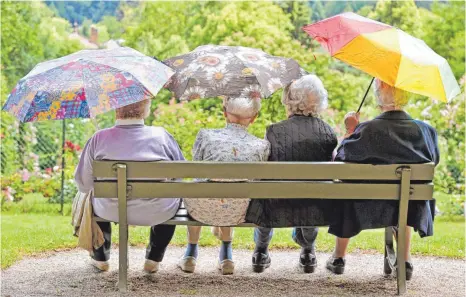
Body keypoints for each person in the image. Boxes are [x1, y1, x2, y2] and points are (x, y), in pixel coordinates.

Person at [327, 79, 439, 280]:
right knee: (405, 194)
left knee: (347, 191)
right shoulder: (426, 131)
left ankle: (339, 257)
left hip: (363, 203)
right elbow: (434, 161)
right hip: (408, 204)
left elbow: (341, 161)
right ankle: (404, 261)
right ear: (406, 96)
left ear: (378, 99)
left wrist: (351, 132)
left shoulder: (367, 130)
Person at [74, 99, 184, 273]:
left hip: (110, 209)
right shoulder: (162, 135)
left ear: (115, 109)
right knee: (171, 194)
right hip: (157, 211)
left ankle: (100, 256)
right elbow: (180, 176)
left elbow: (84, 184)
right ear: (146, 110)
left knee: (86, 196)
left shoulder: (99, 138)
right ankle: (154, 258)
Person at [246, 75, 338, 273]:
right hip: (315, 206)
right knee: (312, 194)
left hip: (277, 203)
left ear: (292, 101)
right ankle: (308, 251)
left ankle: (260, 250)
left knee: (264, 191)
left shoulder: (274, 132)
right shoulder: (328, 133)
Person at [179, 96, 270, 275]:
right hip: (241, 211)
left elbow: (198, 171)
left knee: (201, 189)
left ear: (225, 113)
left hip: (202, 208)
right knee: (231, 194)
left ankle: (190, 254)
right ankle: (227, 255)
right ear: (254, 117)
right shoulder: (261, 145)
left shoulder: (205, 135)